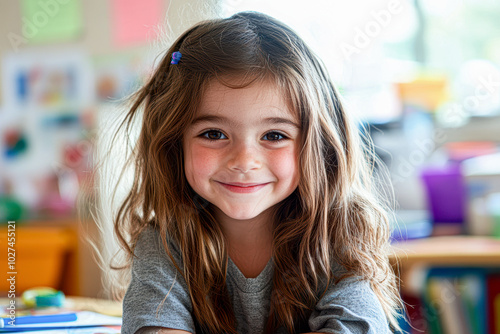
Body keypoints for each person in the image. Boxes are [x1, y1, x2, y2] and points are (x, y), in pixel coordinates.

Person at [106, 10, 404, 334]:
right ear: (174, 144)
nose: (245, 161)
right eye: (214, 134)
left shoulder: (339, 235)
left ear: (318, 147)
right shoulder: (165, 244)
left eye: (274, 136)